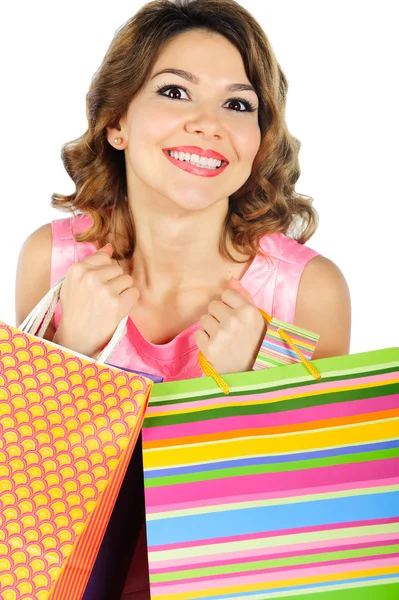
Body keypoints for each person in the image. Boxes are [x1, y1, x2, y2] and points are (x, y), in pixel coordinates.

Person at [14, 0, 351, 597]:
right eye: (174, 93)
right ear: (115, 122)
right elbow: (24, 501)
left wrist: (244, 392)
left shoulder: (308, 292)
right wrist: (70, 356)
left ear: (257, 142)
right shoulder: (55, 262)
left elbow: (308, 541)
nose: (207, 122)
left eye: (238, 104)